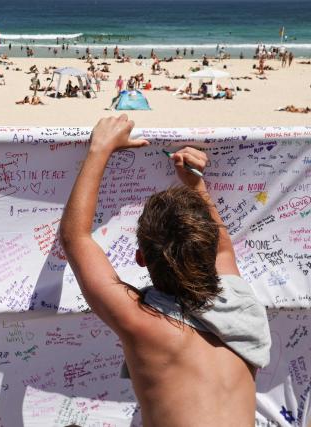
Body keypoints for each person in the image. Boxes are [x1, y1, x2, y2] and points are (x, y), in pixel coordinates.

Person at [60, 115, 270, 426]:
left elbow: (75, 237)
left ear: (140, 258)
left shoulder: (144, 324)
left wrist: (100, 149)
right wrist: (196, 184)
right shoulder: (243, 308)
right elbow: (223, 250)